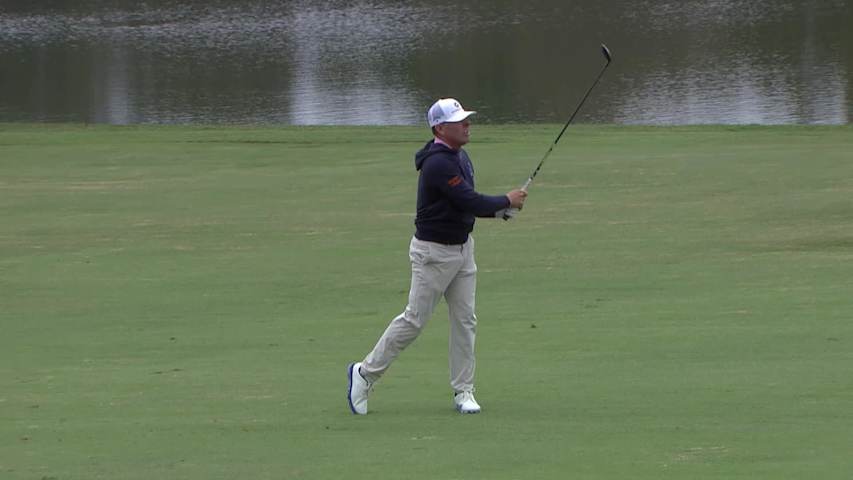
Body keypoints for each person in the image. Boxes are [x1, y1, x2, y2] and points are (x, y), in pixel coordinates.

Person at [347, 98, 527, 415]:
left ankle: (463, 391)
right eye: (459, 121)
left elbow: (461, 205)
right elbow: (469, 200)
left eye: (466, 119)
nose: (467, 124)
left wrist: (500, 212)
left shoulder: (460, 156)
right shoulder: (437, 164)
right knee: (414, 321)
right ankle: (365, 373)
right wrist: (505, 200)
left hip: (463, 249)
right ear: (440, 128)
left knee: (465, 320)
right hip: (433, 253)